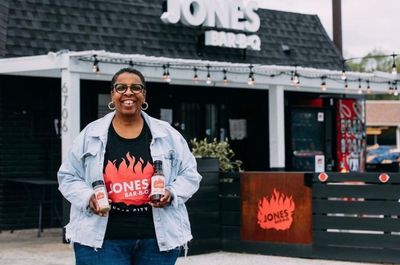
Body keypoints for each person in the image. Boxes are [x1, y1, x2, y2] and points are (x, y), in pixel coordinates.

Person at [57, 67, 202, 265]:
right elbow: (68, 176)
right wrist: (87, 197)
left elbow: (190, 174)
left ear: (144, 94)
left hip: (156, 240)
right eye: (121, 87)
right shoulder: (90, 134)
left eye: (136, 87)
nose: (128, 93)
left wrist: (172, 193)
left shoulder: (167, 134)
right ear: (112, 94)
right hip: (101, 241)